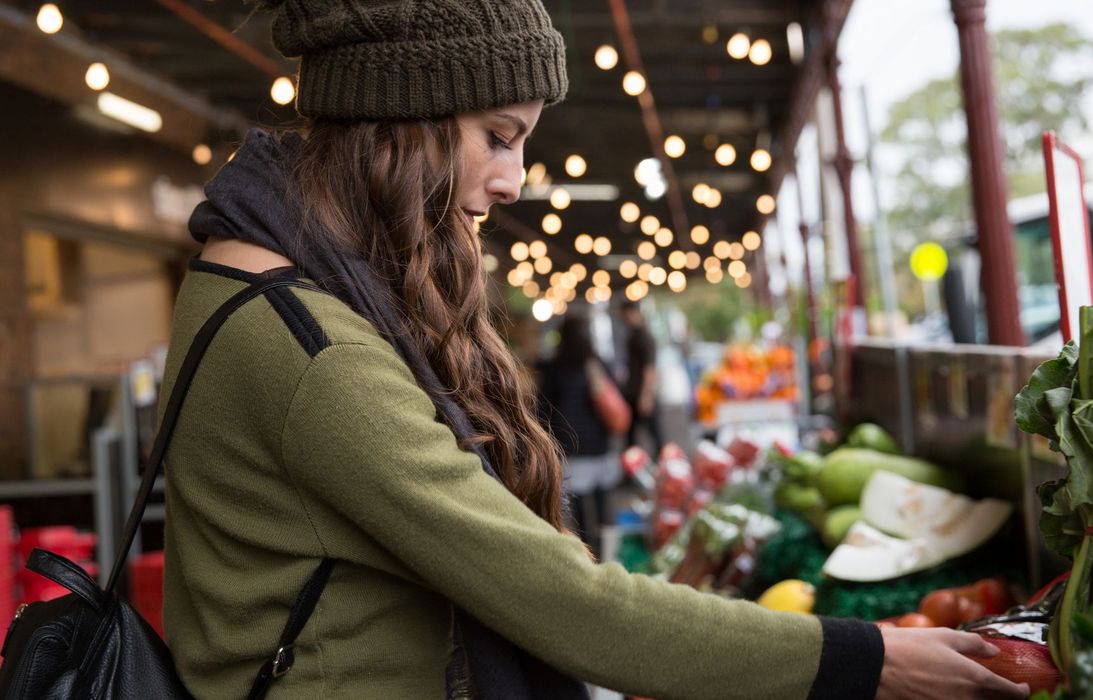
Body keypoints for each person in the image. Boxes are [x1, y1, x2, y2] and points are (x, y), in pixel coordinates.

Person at [159, 1, 1030, 698]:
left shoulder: (259, 281)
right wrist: (866, 660)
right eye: (497, 135)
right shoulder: (313, 348)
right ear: (400, 115)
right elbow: (566, 605)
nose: (510, 178)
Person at [536, 313, 619, 555]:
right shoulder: (596, 364)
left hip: (570, 444)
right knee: (603, 503)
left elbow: (543, 407)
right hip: (599, 444)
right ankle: (608, 551)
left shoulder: (554, 367)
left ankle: (588, 553)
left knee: (579, 509)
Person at [619, 299, 664, 455]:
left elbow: (649, 369)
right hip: (633, 393)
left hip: (641, 393)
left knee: (655, 435)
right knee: (632, 437)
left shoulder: (644, 337)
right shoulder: (634, 336)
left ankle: (665, 465)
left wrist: (646, 395)